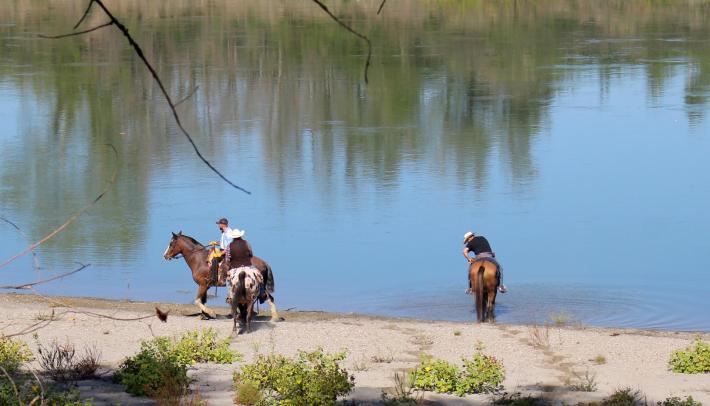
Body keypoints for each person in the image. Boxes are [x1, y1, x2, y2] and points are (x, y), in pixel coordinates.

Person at [224, 228, 257, 303]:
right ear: (240, 236)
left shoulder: (229, 246)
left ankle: (230, 296)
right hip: (247, 266)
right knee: (259, 276)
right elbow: (251, 254)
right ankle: (262, 293)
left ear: (233, 237)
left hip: (235, 267)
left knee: (228, 280)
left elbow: (227, 259)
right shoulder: (247, 243)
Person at [207, 218, 232, 284]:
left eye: (219, 224)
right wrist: (215, 243)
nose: (218, 225)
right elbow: (222, 242)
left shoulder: (228, 233)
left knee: (214, 259)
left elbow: (229, 246)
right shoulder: (224, 232)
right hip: (222, 250)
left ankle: (214, 279)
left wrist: (221, 253)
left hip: (227, 252)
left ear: (223, 225)